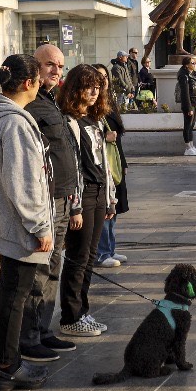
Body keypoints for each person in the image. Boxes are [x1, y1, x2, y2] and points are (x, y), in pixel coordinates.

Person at [0, 54, 55, 391]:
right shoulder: (16, 123)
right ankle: (7, 368)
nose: (41, 86)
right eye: (38, 80)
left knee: (11, 295)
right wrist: (40, 226)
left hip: (6, 223)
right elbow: (22, 183)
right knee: (15, 298)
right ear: (28, 83)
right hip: (19, 227)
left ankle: (7, 365)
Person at [19, 44, 81, 360]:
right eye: (50, 65)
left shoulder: (51, 100)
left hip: (63, 200)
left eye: (60, 66)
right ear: (35, 67)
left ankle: (44, 331)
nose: (56, 71)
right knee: (39, 273)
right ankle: (30, 339)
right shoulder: (30, 105)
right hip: (46, 204)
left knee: (54, 268)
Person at [58, 64, 116, 337]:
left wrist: (110, 197)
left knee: (90, 256)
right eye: (88, 86)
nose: (94, 92)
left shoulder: (96, 119)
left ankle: (82, 310)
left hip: (99, 192)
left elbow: (103, 162)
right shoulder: (68, 122)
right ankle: (70, 316)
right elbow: (70, 168)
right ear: (75, 88)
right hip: (82, 196)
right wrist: (75, 207)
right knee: (77, 257)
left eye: (97, 87)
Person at [92, 64, 129, 269]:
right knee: (106, 208)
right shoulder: (92, 105)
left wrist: (123, 162)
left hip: (114, 160)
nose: (103, 80)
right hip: (101, 162)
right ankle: (102, 252)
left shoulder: (109, 101)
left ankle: (110, 248)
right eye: (99, 77)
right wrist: (104, 137)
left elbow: (118, 139)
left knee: (113, 207)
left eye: (105, 76)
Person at [175, 54, 196, 157]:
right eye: (192, 63)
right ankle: (188, 147)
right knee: (188, 125)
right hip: (189, 103)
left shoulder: (193, 74)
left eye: (195, 63)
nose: (194, 64)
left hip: (195, 102)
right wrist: (188, 107)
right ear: (186, 65)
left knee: (192, 126)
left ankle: (191, 146)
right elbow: (185, 93)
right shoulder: (184, 75)